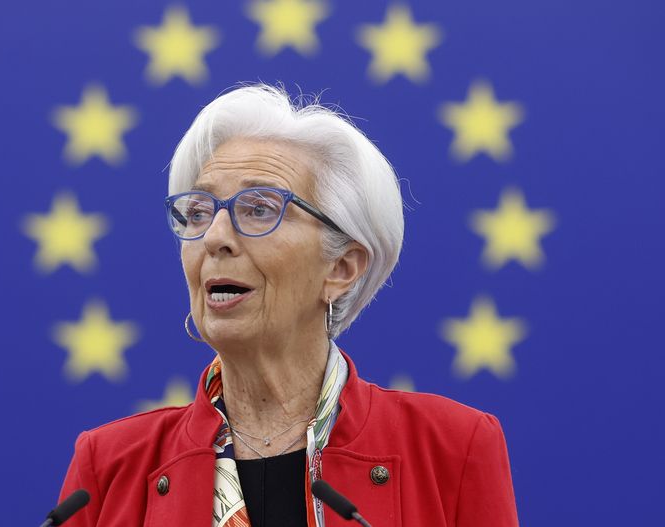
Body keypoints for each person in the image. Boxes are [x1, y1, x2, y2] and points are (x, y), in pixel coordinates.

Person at [58, 84, 519, 526]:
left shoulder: (453, 448)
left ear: (341, 268)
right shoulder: (109, 465)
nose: (215, 237)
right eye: (198, 211)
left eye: (258, 209)